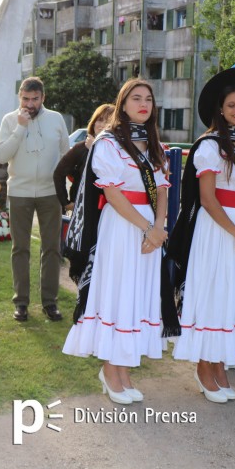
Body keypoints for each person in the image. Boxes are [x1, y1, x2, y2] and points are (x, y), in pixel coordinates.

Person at [170, 67, 235, 404]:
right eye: (231, 105)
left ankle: (221, 365)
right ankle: (205, 367)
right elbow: (207, 199)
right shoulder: (210, 146)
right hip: (217, 230)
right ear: (221, 109)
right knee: (215, 294)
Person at [62, 80, 169, 405]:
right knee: (119, 294)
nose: (143, 103)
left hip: (150, 226)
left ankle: (124, 371)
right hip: (122, 227)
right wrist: (146, 228)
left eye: (148, 99)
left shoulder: (153, 143)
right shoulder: (108, 143)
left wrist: (159, 226)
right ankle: (110, 370)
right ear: (123, 104)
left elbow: (162, 188)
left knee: (137, 296)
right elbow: (112, 193)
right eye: (136, 98)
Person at [0, 77, 69, 322]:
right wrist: (20, 127)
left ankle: (50, 302)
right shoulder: (9, 120)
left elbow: (66, 156)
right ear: (20, 97)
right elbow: (2, 156)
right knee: (20, 248)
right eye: (25, 99)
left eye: (35, 99)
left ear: (43, 98)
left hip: (50, 193)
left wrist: (66, 192)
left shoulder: (56, 119)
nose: (30, 104)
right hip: (19, 192)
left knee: (51, 249)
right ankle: (21, 303)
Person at [53, 104, 114, 212]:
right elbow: (59, 173)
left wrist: (94, 148)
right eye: (100, 120)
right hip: (82, 209)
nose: (102, 125)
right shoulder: (81, 147)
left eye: (108, 122)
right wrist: (66, 203)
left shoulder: (119, 150)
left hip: (110, 209)